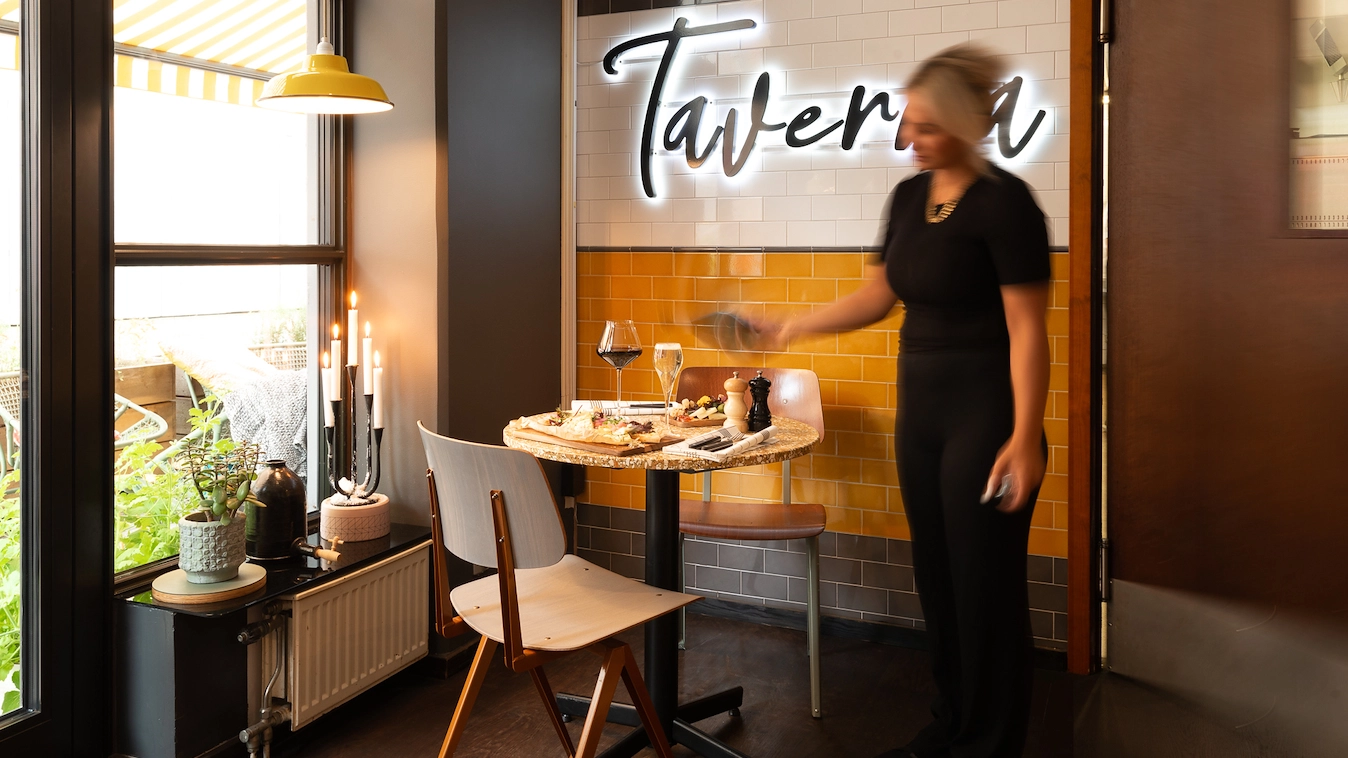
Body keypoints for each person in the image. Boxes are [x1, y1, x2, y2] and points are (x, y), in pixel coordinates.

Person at [753, 45, 1051, 757]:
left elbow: (1028, 331)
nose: (907, 137)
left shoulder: (1007, 204)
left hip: (987, 416)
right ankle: (951, 726)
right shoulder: (909, 199)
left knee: (983, 586)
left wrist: (1024, 436)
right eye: (907, 121)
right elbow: (878, 294)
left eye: (925, 126)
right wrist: (793, 324)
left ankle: (990, 743)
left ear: (964, 125)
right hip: (922, 415)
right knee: (939, 579)